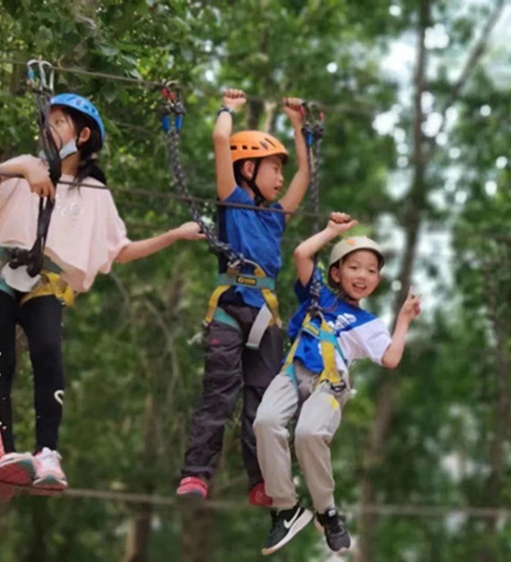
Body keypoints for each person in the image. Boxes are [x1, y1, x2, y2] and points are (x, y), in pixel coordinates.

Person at [0, 93, 202, 492]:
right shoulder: (24, 169)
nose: (47, 129)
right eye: (46, 122)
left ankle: (46, 452)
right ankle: (3, 455)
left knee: (49, 353)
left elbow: (118, 250)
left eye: (58, 123)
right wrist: (17, 167)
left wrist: (173, 235)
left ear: (82, 135)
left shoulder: (94, 194)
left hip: (44, 279)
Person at [253, 212, 421, 555]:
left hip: (330, 382)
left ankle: (327, 512)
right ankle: (286, 507)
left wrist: (403, 320)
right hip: (293, 371)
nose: (363, 275)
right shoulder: (318, 296)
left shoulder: (367, 323)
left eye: (371, 270)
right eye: (354, 266)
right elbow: (302, 254)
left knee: (309, 434)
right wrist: (331, 232)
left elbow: (390, 359)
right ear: (336, 273)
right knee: (265, 422)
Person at [176, 89, 310, 506]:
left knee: (262, 401)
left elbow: (305, 175)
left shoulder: (275, 217)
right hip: (231, 309)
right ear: (248, 168)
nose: (281, 178)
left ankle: (261, 480)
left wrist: (298, 126)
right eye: (273, 169)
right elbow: (220, 142)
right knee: (220, 392)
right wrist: (226, 110)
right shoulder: (232, 201)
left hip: (265, 316)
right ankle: (197, 475)